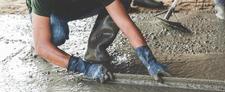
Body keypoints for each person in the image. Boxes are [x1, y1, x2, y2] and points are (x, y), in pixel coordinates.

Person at [26, 0, 170, 83]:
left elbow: (123, 22)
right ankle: (39, 33)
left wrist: (148, 59)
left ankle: (96, 50)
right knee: (56, 36)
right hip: (53, 11)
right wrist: (84, 68)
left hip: (82, 5)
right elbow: (42, 46)